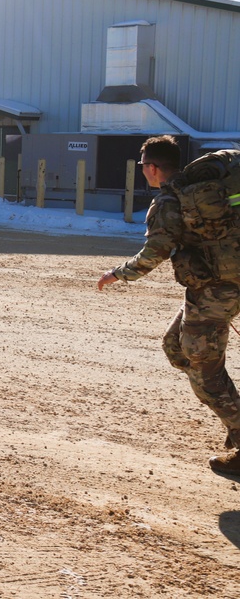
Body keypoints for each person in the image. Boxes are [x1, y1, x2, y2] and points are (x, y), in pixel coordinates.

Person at [98, 135, 240, 476]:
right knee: (175, 346)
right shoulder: (202, 190)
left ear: (152, 168)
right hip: (214, 288)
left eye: (143, 166)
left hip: (218, 291)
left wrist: (118, 274)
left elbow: (155, 252)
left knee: (202, 368)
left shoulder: (170, 201)